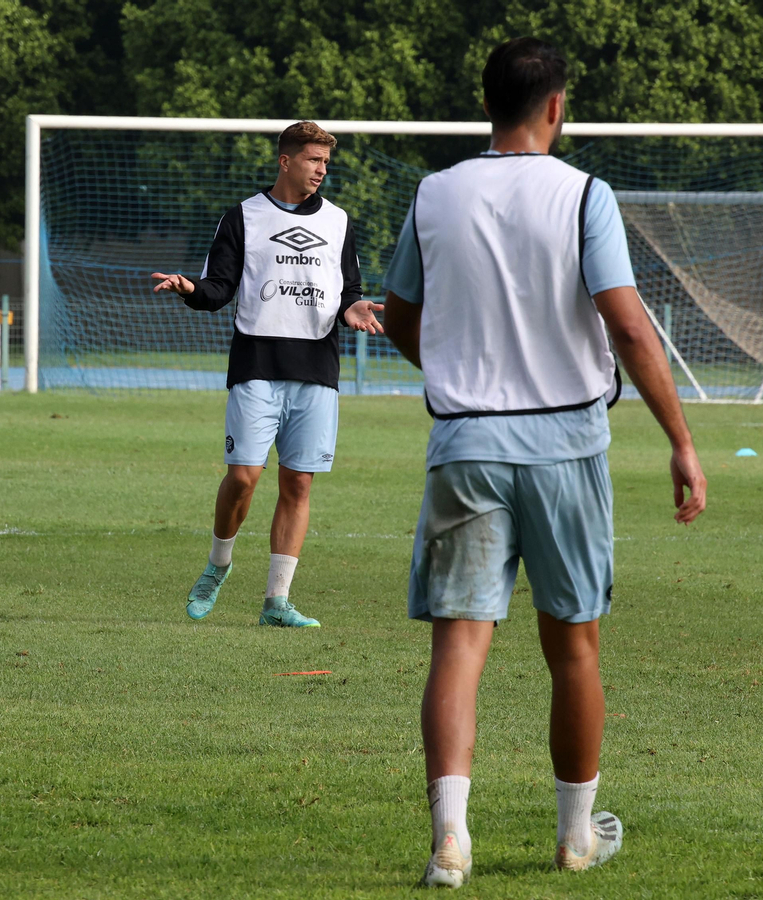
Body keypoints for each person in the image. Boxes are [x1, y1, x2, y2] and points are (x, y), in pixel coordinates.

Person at [380, 39, 708, 885]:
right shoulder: (584, 194)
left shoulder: (433, 194)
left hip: (465, 442)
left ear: (487, 103)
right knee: (575, 649)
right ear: (556, 106)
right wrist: (679, 438)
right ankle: (574, 836)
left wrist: (454, 371)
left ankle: (450, 837)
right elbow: (629, 325)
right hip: (566, 443)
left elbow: (400, 318)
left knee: (459, 644)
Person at [151, 121, 384, 628]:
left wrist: (354, 307)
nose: (322, 170)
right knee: (243, 477)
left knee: (298, 484)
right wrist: (189, 288)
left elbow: (348, 291)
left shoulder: (340, 222)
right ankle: (218, 565)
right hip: (257, 363)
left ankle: (276, 602)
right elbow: (218, 289)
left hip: (317, 369)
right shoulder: (243, 217)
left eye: (326, 162)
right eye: (313, 160)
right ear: (285, 161)